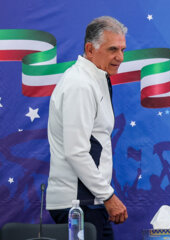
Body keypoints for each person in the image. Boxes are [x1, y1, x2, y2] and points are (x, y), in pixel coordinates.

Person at [46, 16, 128, 240]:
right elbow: (77, 151)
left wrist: (104, 197)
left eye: (122, 49)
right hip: (79, 205)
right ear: (90, 49)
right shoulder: (80, 85)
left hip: (91, 201)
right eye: (112, 49)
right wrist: (108, 196)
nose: (119, 57)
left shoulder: (94, 79)